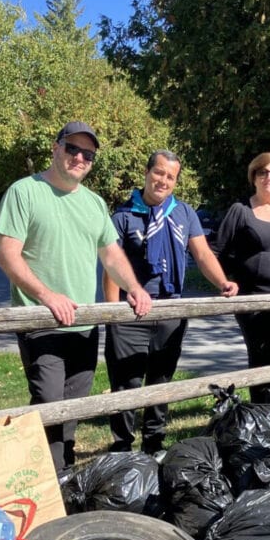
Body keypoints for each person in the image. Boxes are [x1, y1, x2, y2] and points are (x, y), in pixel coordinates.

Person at [0, 121, 152, 472]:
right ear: (56, 147)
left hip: (83, 323)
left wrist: (135, 287)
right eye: (73, 149)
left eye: (88, 154)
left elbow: (111, 255)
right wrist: (47, 296)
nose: (80, 157)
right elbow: (7, 255)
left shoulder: (95, 204)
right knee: (49, 404)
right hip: (42, 320)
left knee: (74, 407)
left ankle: (61, 472)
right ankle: (49, 480)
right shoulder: (25, 192)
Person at [103, 150, 239, 454]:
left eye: (170, 176)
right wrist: (112, 315)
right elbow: (112, 267)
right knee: (126, 384)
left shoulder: (184, 213)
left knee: (161, 382)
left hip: (171, 310)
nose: (163, 180)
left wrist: (221, 282)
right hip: (130, 314)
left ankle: (154, 445)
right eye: (159, 172)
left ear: (175, 181)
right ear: (147, 173)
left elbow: (202, 254)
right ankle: (122, 449)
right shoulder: (123, 216)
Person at [213, 152, 270, 404]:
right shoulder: (240, 210)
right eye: (263, 172)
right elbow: (214, 252)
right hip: (252, 301)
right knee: (261, 360)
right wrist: (225, 280)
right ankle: (261, 417)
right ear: (253, 176)